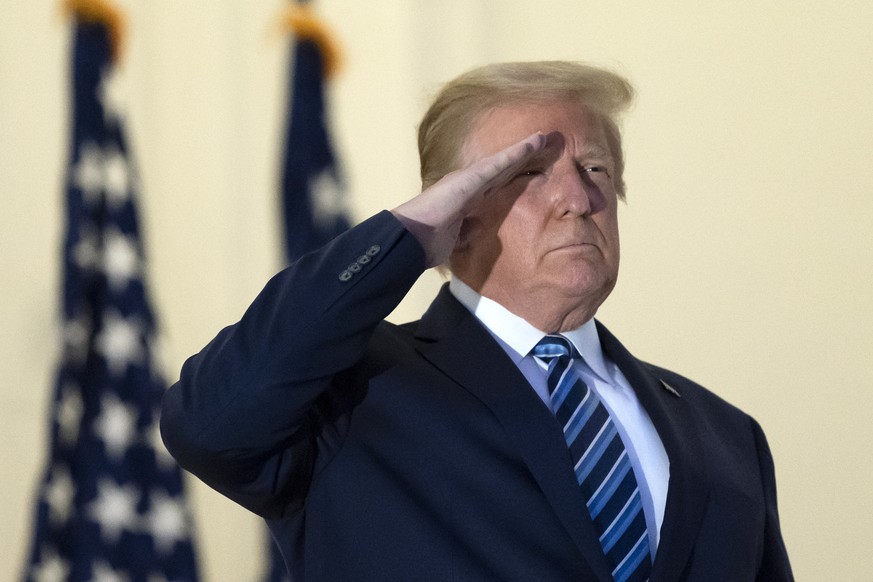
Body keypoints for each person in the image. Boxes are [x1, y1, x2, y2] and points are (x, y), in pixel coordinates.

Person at [161, 61, 793, 581]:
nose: (577, 199)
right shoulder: (349, 398)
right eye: (528, 172)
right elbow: (208, 424)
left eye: (595, 169)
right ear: (455, 207)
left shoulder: (725, 435)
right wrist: (401, 240)